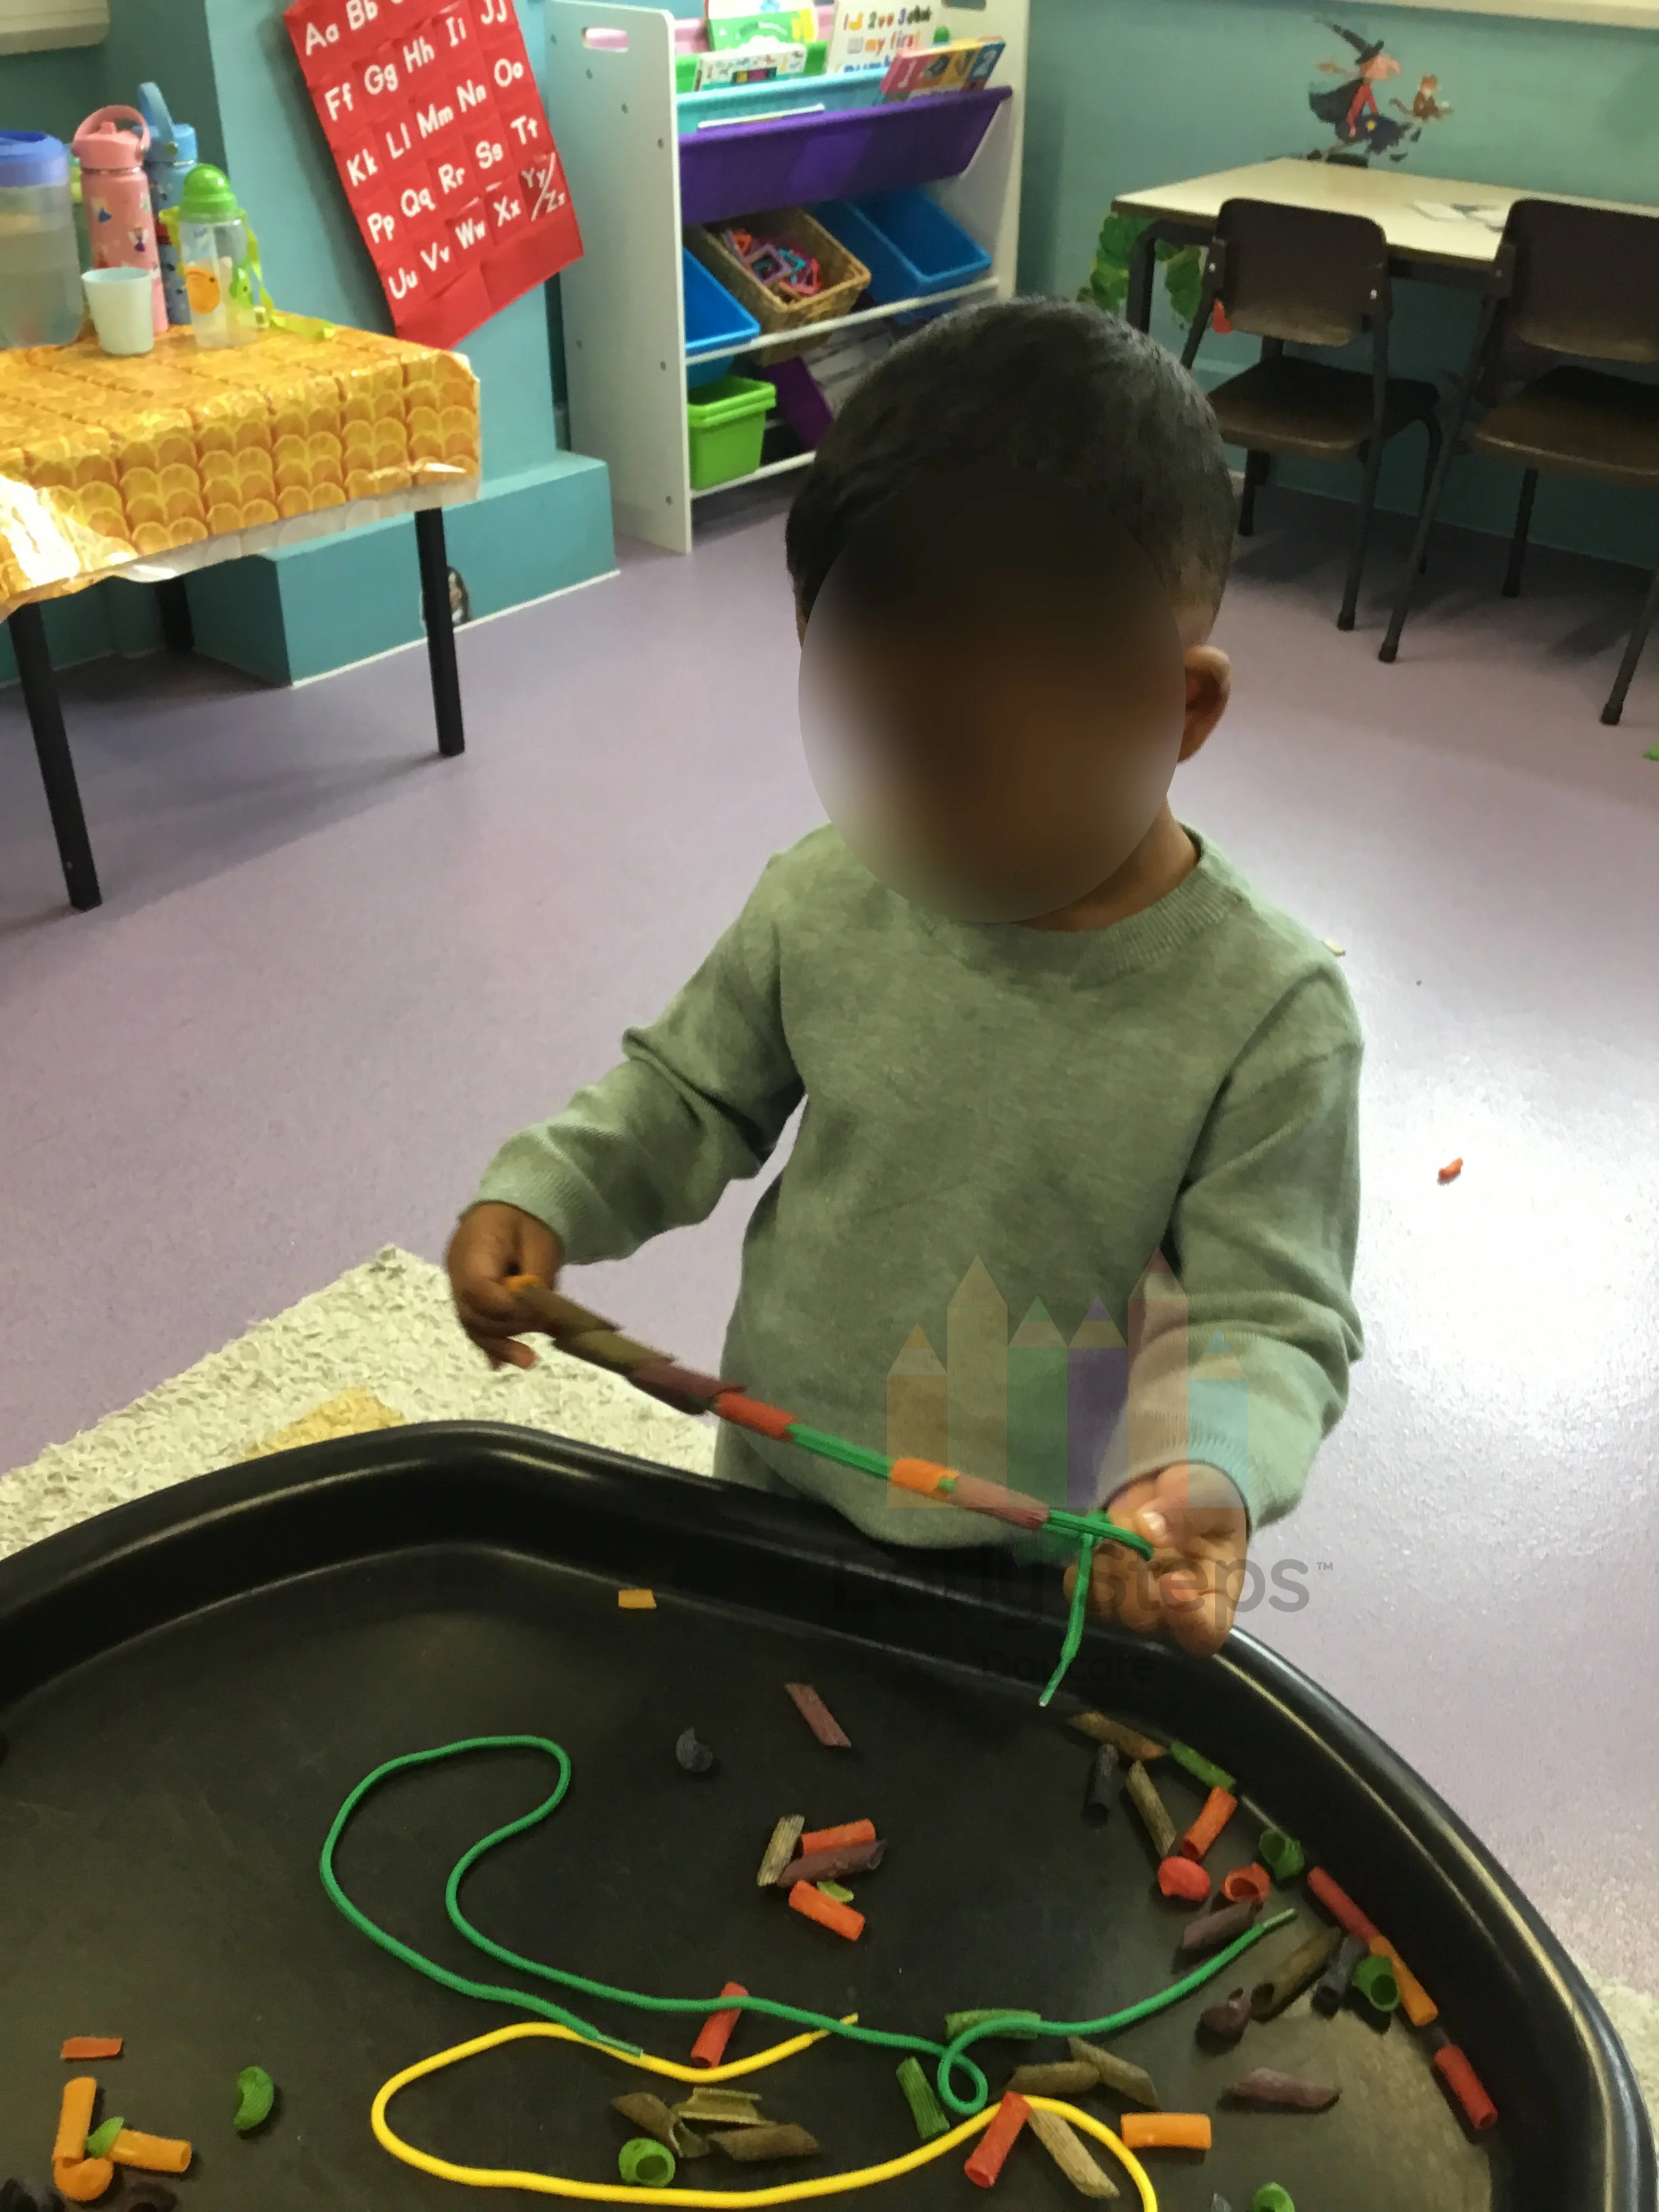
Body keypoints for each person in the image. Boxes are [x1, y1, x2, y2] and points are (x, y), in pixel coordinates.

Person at [448, 301, 1362, 1659]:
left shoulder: (1268, 1019)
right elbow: (691, 1093)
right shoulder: (829, 892)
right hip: (775, 1488)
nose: (923, 814)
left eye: (979, 764)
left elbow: (1265, 1322)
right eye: (887, 747)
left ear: (1176, 714)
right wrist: (549, 1190)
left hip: (1050, 1563)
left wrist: (1200, 1481)